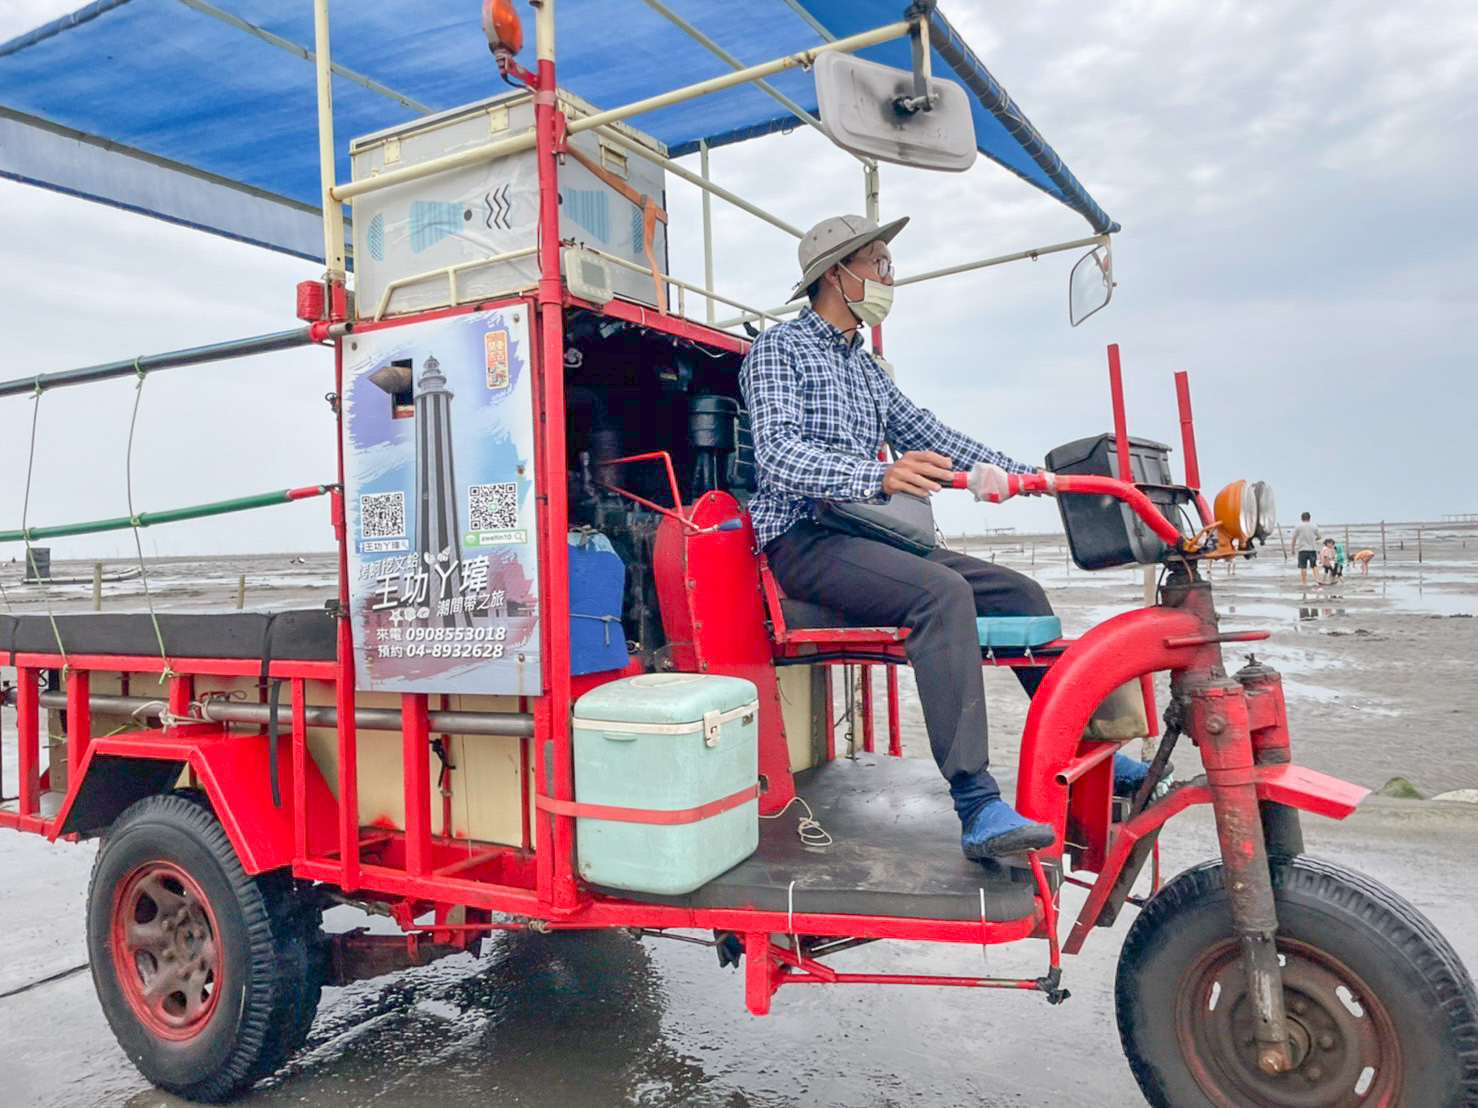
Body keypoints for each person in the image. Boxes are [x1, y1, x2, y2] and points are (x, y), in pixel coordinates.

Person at [740, 214, 1151, 860]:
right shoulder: (777, 351)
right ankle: (977, 803)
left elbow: (929, 435)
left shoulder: (868, 368)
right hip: (804, 538)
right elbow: (778, 457)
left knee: (1021, 592)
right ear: (834, 276)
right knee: (942, 593)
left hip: (870, 532)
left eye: (886, 263)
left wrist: (1024, 478)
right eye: (876, 262)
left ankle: (1086, 754)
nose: (887, 275)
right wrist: (876, 473)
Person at [1291, 511, 1321, 587]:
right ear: (1309, 518)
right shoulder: (1314, 526)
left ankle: (1304, 582)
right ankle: (1317, 580)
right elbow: (1319, 536)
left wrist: (1293, 549)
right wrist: (1315, 539)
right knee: (1314, 565)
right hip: (1312, 549)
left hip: (1302, 549)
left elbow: (1294, 538)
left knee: (1303, 567)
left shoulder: (1298, 526)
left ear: (1301, 518)